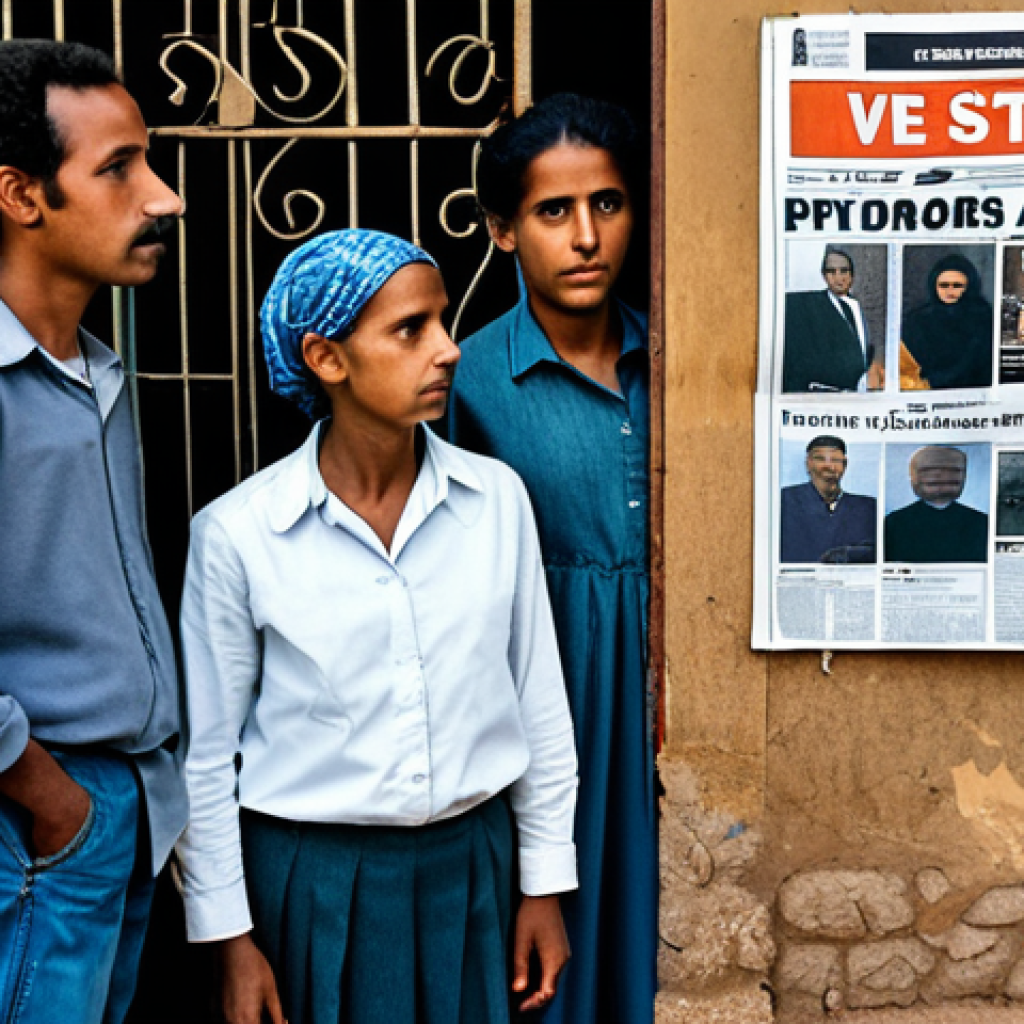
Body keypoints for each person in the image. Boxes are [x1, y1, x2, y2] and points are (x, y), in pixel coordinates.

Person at [175, 229, 578, 1024]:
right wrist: (229, 938)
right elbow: (206, 757)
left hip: (473, 869)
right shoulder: (241, 534)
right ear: (327, 359)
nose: (449, 350)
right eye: (411, 329)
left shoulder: (496, 502)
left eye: (442, 322)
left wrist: (543, 882)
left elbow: (539, 706)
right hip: (311, 881)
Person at [444, 93, 656, 1024]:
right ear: (502, 230)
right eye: (552, 211)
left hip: (669, 700)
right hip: (545, 700)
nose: (585, 237)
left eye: (606, 205)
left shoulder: (676, 358)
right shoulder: (471, 380)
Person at [0, 40, 186, 1024]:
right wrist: (49, 798)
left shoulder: (97, 372)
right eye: (118, 168)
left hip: (122, 813)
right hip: (38, 824)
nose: (163, 197)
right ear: (22, 194)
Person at [783, 247, 883, 393]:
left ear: (852, 275)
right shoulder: (811, 307)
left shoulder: (857, 307)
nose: (838, 278)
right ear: (824, 276)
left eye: (844, 271)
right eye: (831, 272)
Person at [900, 252, 994, 390]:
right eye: (943, 285)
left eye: (957, 286)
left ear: (969, 286)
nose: (950, 291)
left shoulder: (983, 318)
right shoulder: (917, 320)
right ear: (934, 286)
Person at [780, 436, 876, 564]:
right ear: (808, 463)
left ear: (845, 465)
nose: (828, 466)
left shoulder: (868, 507)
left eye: (835, 460)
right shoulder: (784, 501)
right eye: (820, 459)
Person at [884, 446, 989, 563]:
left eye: (952, 471)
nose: (939, 476)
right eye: (928, 470)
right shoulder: (894, 523)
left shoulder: (982, 523)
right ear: (913, 476)